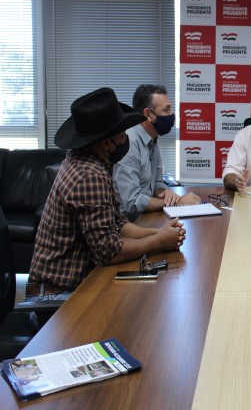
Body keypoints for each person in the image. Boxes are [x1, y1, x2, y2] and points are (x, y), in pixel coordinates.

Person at [27, 87, 187, 301]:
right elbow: (109, 251)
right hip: (56, 295)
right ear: (105, 143)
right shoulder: (89, 175)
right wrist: (158, 242)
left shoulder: (94, 163)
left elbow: (117, 223)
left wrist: (158, 233)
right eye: (122, 134)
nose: (126, 139)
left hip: (74, 284)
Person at [113, 84, 200, 221]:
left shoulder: (152, 138)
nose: (172, 115)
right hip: (127, 224)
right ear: (148, 114)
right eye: (166, 110)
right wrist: (177, 202)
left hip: (147, 218)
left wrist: (165, 193)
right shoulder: (128, 143)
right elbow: (131, 203)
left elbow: (157, 184)